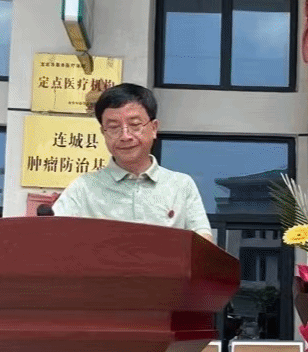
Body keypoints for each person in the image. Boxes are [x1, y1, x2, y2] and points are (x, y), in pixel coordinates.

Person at [51, 83, 213, 241]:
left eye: (135, 125)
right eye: (113, 127)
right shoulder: (83, 188)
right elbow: (52, 238)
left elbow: (203, 244)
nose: (125, 136)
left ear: (154, 128)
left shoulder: (181, 186)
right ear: (103, 132)